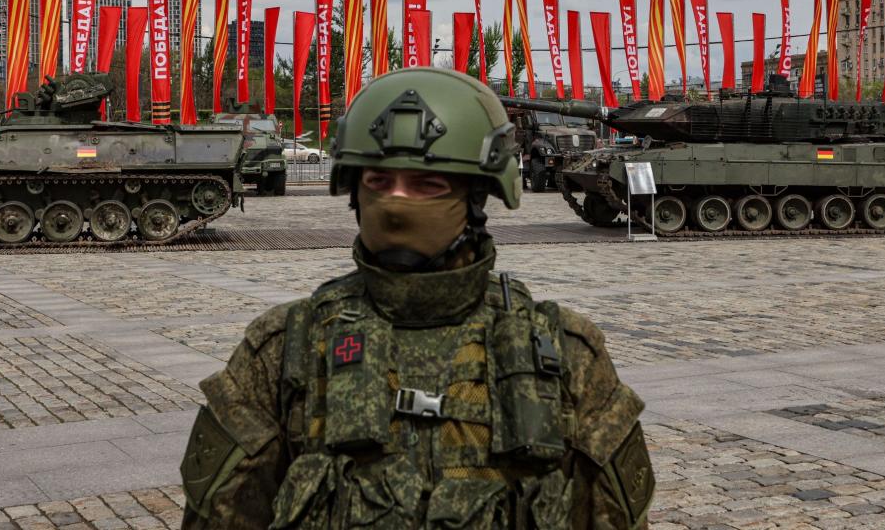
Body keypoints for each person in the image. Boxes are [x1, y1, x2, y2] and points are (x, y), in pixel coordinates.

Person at [180, 68, 654, 529]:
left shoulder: (563, 353)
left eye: (428, 185)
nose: (397, 202)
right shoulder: (285, 349)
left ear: (479, 195)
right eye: (379, 182)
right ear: (353, 190)